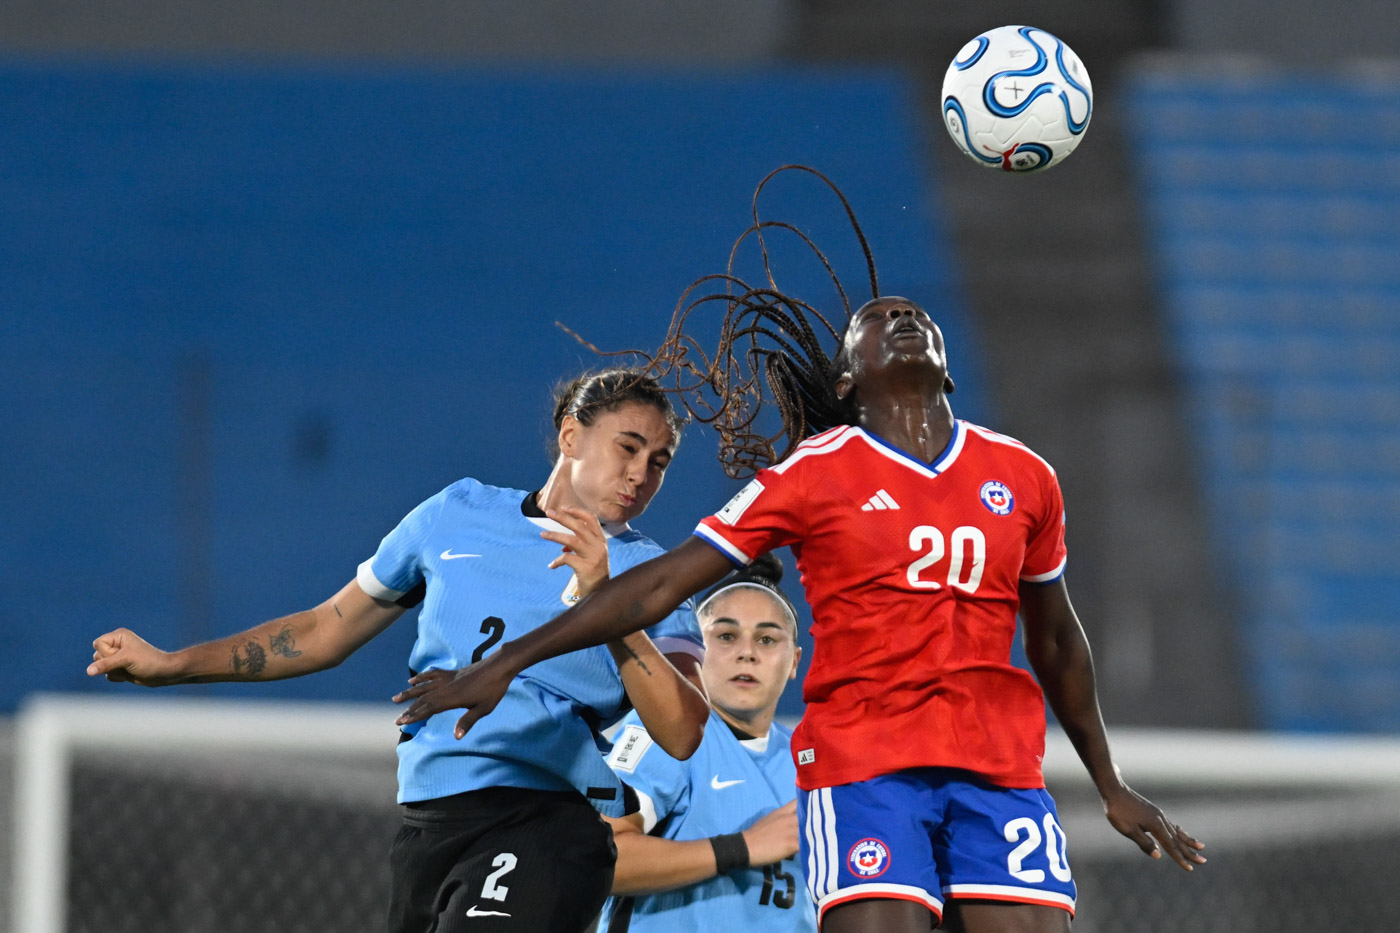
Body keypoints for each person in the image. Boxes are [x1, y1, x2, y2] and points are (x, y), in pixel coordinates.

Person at [392, 168, 1207, 933]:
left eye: (914, 316)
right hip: (866, 768)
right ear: (847, 385)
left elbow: (1057, 638)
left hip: (1001, 768)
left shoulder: (1023, 475)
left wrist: (1109, 782)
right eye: (873, 320)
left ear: (948, 368)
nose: (898, 316)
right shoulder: (817, 472)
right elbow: (664, 581)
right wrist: (508, 662)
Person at [87, 368, 711, 933]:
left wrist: (613, 607)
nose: (640, 474)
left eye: (660, 462)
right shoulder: (457, 512)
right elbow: (323, 630)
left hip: (546, 825)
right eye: (628, 447)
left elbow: (684, 729)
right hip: (427, 827)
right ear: (571, 435)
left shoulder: (651, 576)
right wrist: (173, 666)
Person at [598, 553, 816, 933]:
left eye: (767, 639)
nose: (747, 652)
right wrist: (741, 847)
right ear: (697, 649)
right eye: (726, 635)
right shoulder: (666, 732)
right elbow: (600, 858)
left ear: (795, 661)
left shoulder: (816, 760)